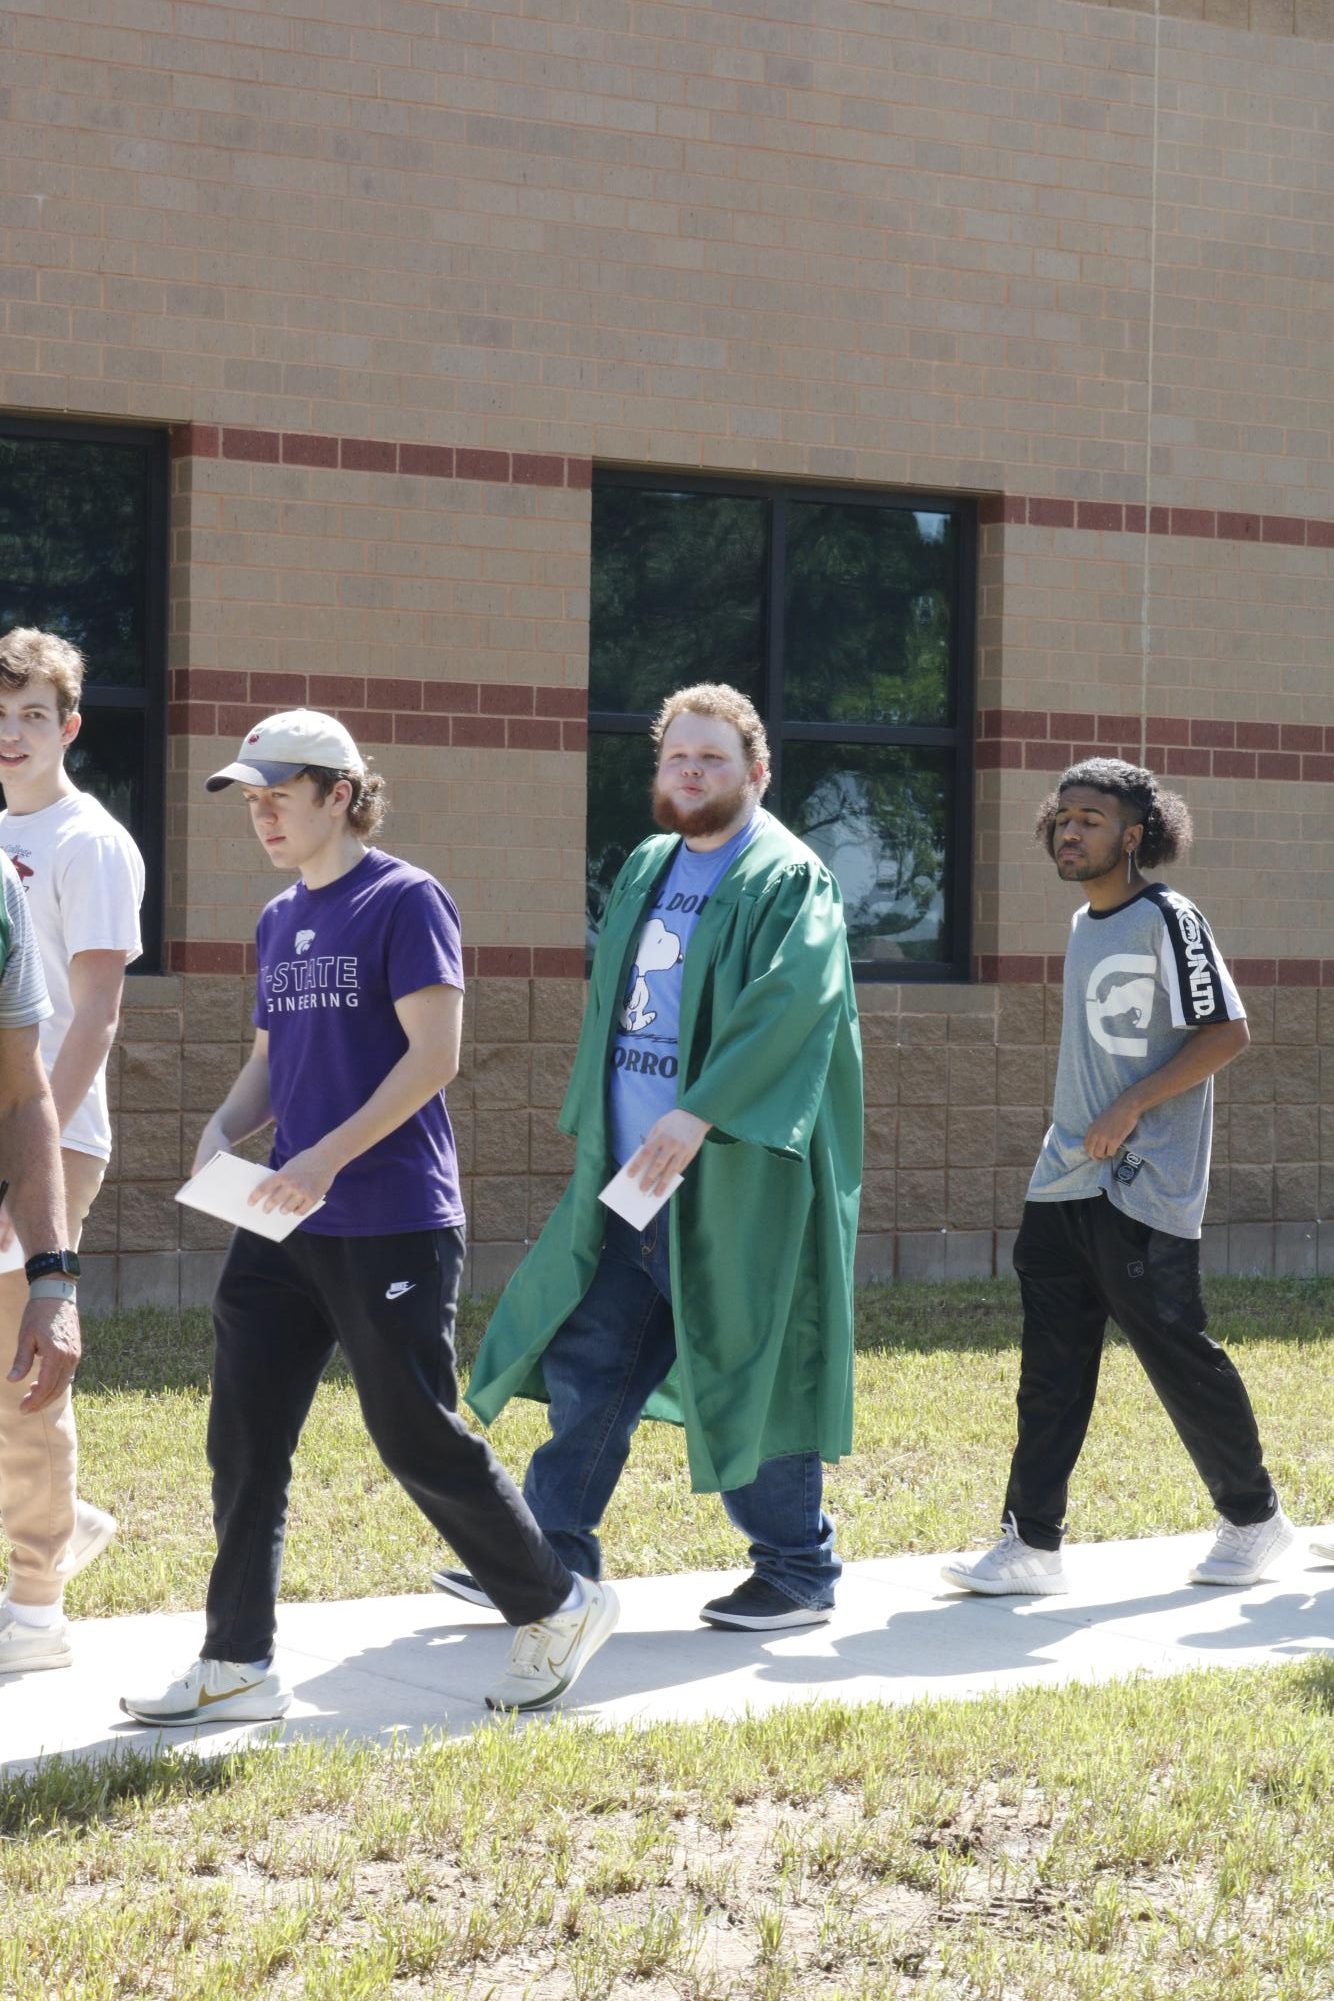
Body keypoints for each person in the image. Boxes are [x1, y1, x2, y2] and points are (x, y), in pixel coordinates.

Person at [120, 710, 616, 1724]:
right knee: (244, 1433)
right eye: (249, 800)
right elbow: (272, 1058)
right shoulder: (274, 920)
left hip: (388, 1214)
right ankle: (237, 1659)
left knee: (410, 1429)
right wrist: (223, 1127)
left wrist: (324, 1157)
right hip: (282, 1221)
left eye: (277, 795)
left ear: (339, 793)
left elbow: (431, 1057)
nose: (260, 815)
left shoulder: (404, 899)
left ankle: (555, 1603)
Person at [434, 683, 863, 1631]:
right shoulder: (648, 864)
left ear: (757, 771)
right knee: (594, 1353)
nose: (693, 772)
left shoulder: (789, 877)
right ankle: (551, 1553)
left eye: (713, 758)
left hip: (734, 1182)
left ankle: (798, 1568)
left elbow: (794, 1008)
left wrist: (700, 1111)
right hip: (631, 1176)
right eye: (678, 757)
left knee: (745, 1357)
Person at [942, 758, 1293, 1597]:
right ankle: (1032, 1542)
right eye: (1063, 816)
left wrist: (1131, 1105)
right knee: (1051, 1365)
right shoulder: (1081, 923)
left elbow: (1228, 1033)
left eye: (1091, 819)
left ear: (1134, 836)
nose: (1070, 829)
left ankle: (1255, 1519)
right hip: (1065, 1176)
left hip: (1143, 1180)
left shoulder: (1169, 917)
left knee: (1175, 1351)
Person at [0, 627, 142, 1675]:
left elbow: (94, 1012)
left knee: (23, 1368)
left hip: (49, 1133)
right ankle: (66, 1521)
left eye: (32, 716)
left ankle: (38, 1608)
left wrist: (32, 1158)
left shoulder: (89, 842)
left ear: (69, 726)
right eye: (0, 717)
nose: (11, 735)